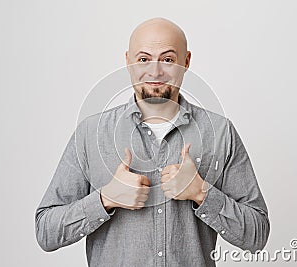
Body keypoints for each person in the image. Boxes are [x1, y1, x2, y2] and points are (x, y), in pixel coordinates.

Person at [35, 17, 270, 266]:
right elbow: (46, 232)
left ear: (186, 62)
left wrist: (201, 193)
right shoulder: (90, 133)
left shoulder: (221, 133)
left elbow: (257, 235)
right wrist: (105, 199)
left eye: (168, 60)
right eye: (144, 59)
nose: (155, 71)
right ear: (128, 62)